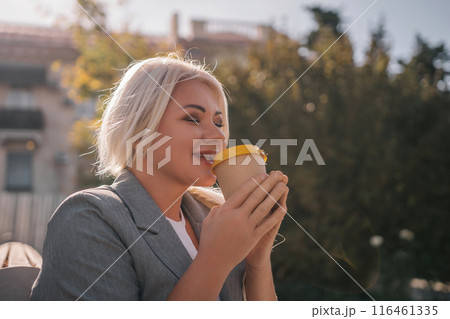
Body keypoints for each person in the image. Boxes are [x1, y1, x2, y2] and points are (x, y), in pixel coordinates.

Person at [30, 52, 289, 301]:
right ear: (142, 132)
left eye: (219, 123)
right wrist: (216, 258)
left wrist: (257, 258)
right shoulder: (88, 217)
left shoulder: (214, 217)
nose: (219, 136)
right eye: (192, 118)